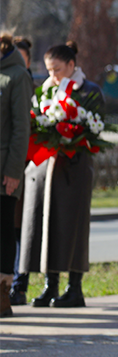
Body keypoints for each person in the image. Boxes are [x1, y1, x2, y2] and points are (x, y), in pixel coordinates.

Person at [20, 42, 104, 309]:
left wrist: (72, 133)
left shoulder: (89, 91)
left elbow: (96, 129)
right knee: (45, 227)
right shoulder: (46, 91)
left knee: (73, 227)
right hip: (45, 170)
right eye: (48, 70)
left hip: (74, 170)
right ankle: (50, 286)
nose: (52, 76)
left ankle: (74, 288)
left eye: (57, 70)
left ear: (71, 65)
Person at [0, 34, 35, 318]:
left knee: (3, 231)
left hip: (4, 172)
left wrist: (13, 172)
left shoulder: (17, 76)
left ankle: (3, 293)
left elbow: (21, 129)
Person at [9, 36, 33, 307]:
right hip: (16, 165)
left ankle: (19, 284)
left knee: (18, 231)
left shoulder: (27, 84)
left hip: (23, 167)